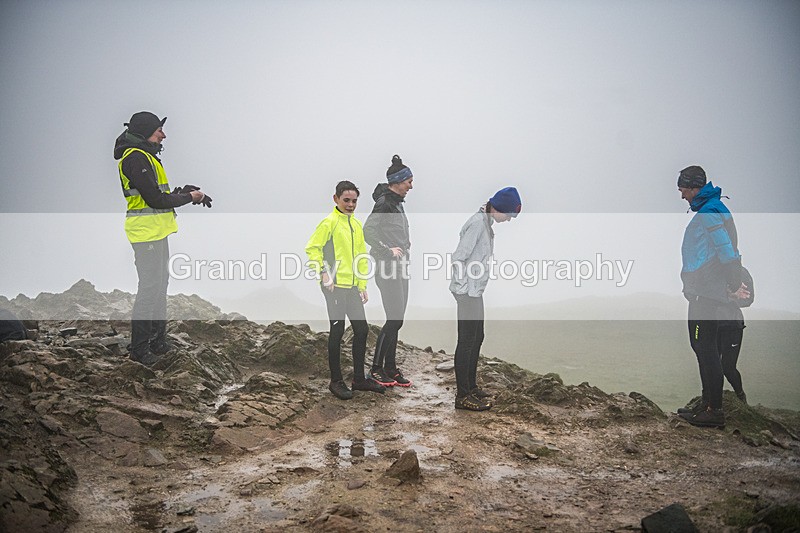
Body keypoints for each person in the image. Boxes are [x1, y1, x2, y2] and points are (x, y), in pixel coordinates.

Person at [113, 111, 211, 366]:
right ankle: (139, 350)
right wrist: (191, 198)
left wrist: (184, 192)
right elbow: (155, 200)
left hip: (156, 232)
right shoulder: (134, 158)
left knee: (160, 286)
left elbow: (159, 195)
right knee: (149, 290)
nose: (164, 135)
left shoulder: (146, 156)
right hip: (145, 235)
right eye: (159, 130)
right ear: (146, 132)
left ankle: (158, 342)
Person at [676, 165, 749, 428]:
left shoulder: (709, 212)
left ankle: (713, 410)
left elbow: (727, 250)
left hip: (705, 294)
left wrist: (732, 281)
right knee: (702, 347)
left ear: (694, 187)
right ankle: (706, 404)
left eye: (683, 189)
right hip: (705, 292)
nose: (682, 195)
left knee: (704, 348)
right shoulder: (713, 209)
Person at [306, 181, 387, 400]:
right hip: (333, 287)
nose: (351, 205)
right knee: (337, 331)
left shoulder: (356, 225)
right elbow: (313, 249)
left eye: (354, 201)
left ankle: (359, 379)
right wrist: (323, 272)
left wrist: (362, 285)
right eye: (346, 200)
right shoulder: (329, 223)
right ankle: (336, 381)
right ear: (336, 199)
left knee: (361, 330)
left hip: (351, 286)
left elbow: (361, 257)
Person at [450, 187, 521, 411]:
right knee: (466, 340)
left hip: (474, 291)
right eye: (508, 215)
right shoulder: (477, 224)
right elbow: (458, 258)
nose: (508, 220)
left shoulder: (486, 223)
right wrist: (462, 291)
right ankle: (462, 396)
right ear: (498, 208)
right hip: (467, 292)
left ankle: (471, 387)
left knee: (477, 336)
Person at [363, 155, 414, 388]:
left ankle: (390, 369)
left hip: (401, 268)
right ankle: (376, 369)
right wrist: (386, 251)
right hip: (387, 269)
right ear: (397, 181)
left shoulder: (397, 204)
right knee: (393, 319)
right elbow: (368, 232)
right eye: (409, 181)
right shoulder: (384, 203)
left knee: (398, 320)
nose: (411, 186)